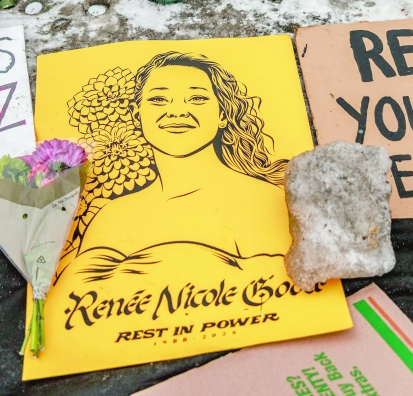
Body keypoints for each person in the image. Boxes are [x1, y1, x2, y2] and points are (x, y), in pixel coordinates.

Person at [72, 52, 289, 266]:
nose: (176, 112)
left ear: (222, 114)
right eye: (159, 99)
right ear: (137, 115)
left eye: (197, 99)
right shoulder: (112, 217)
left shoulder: (260, 200)